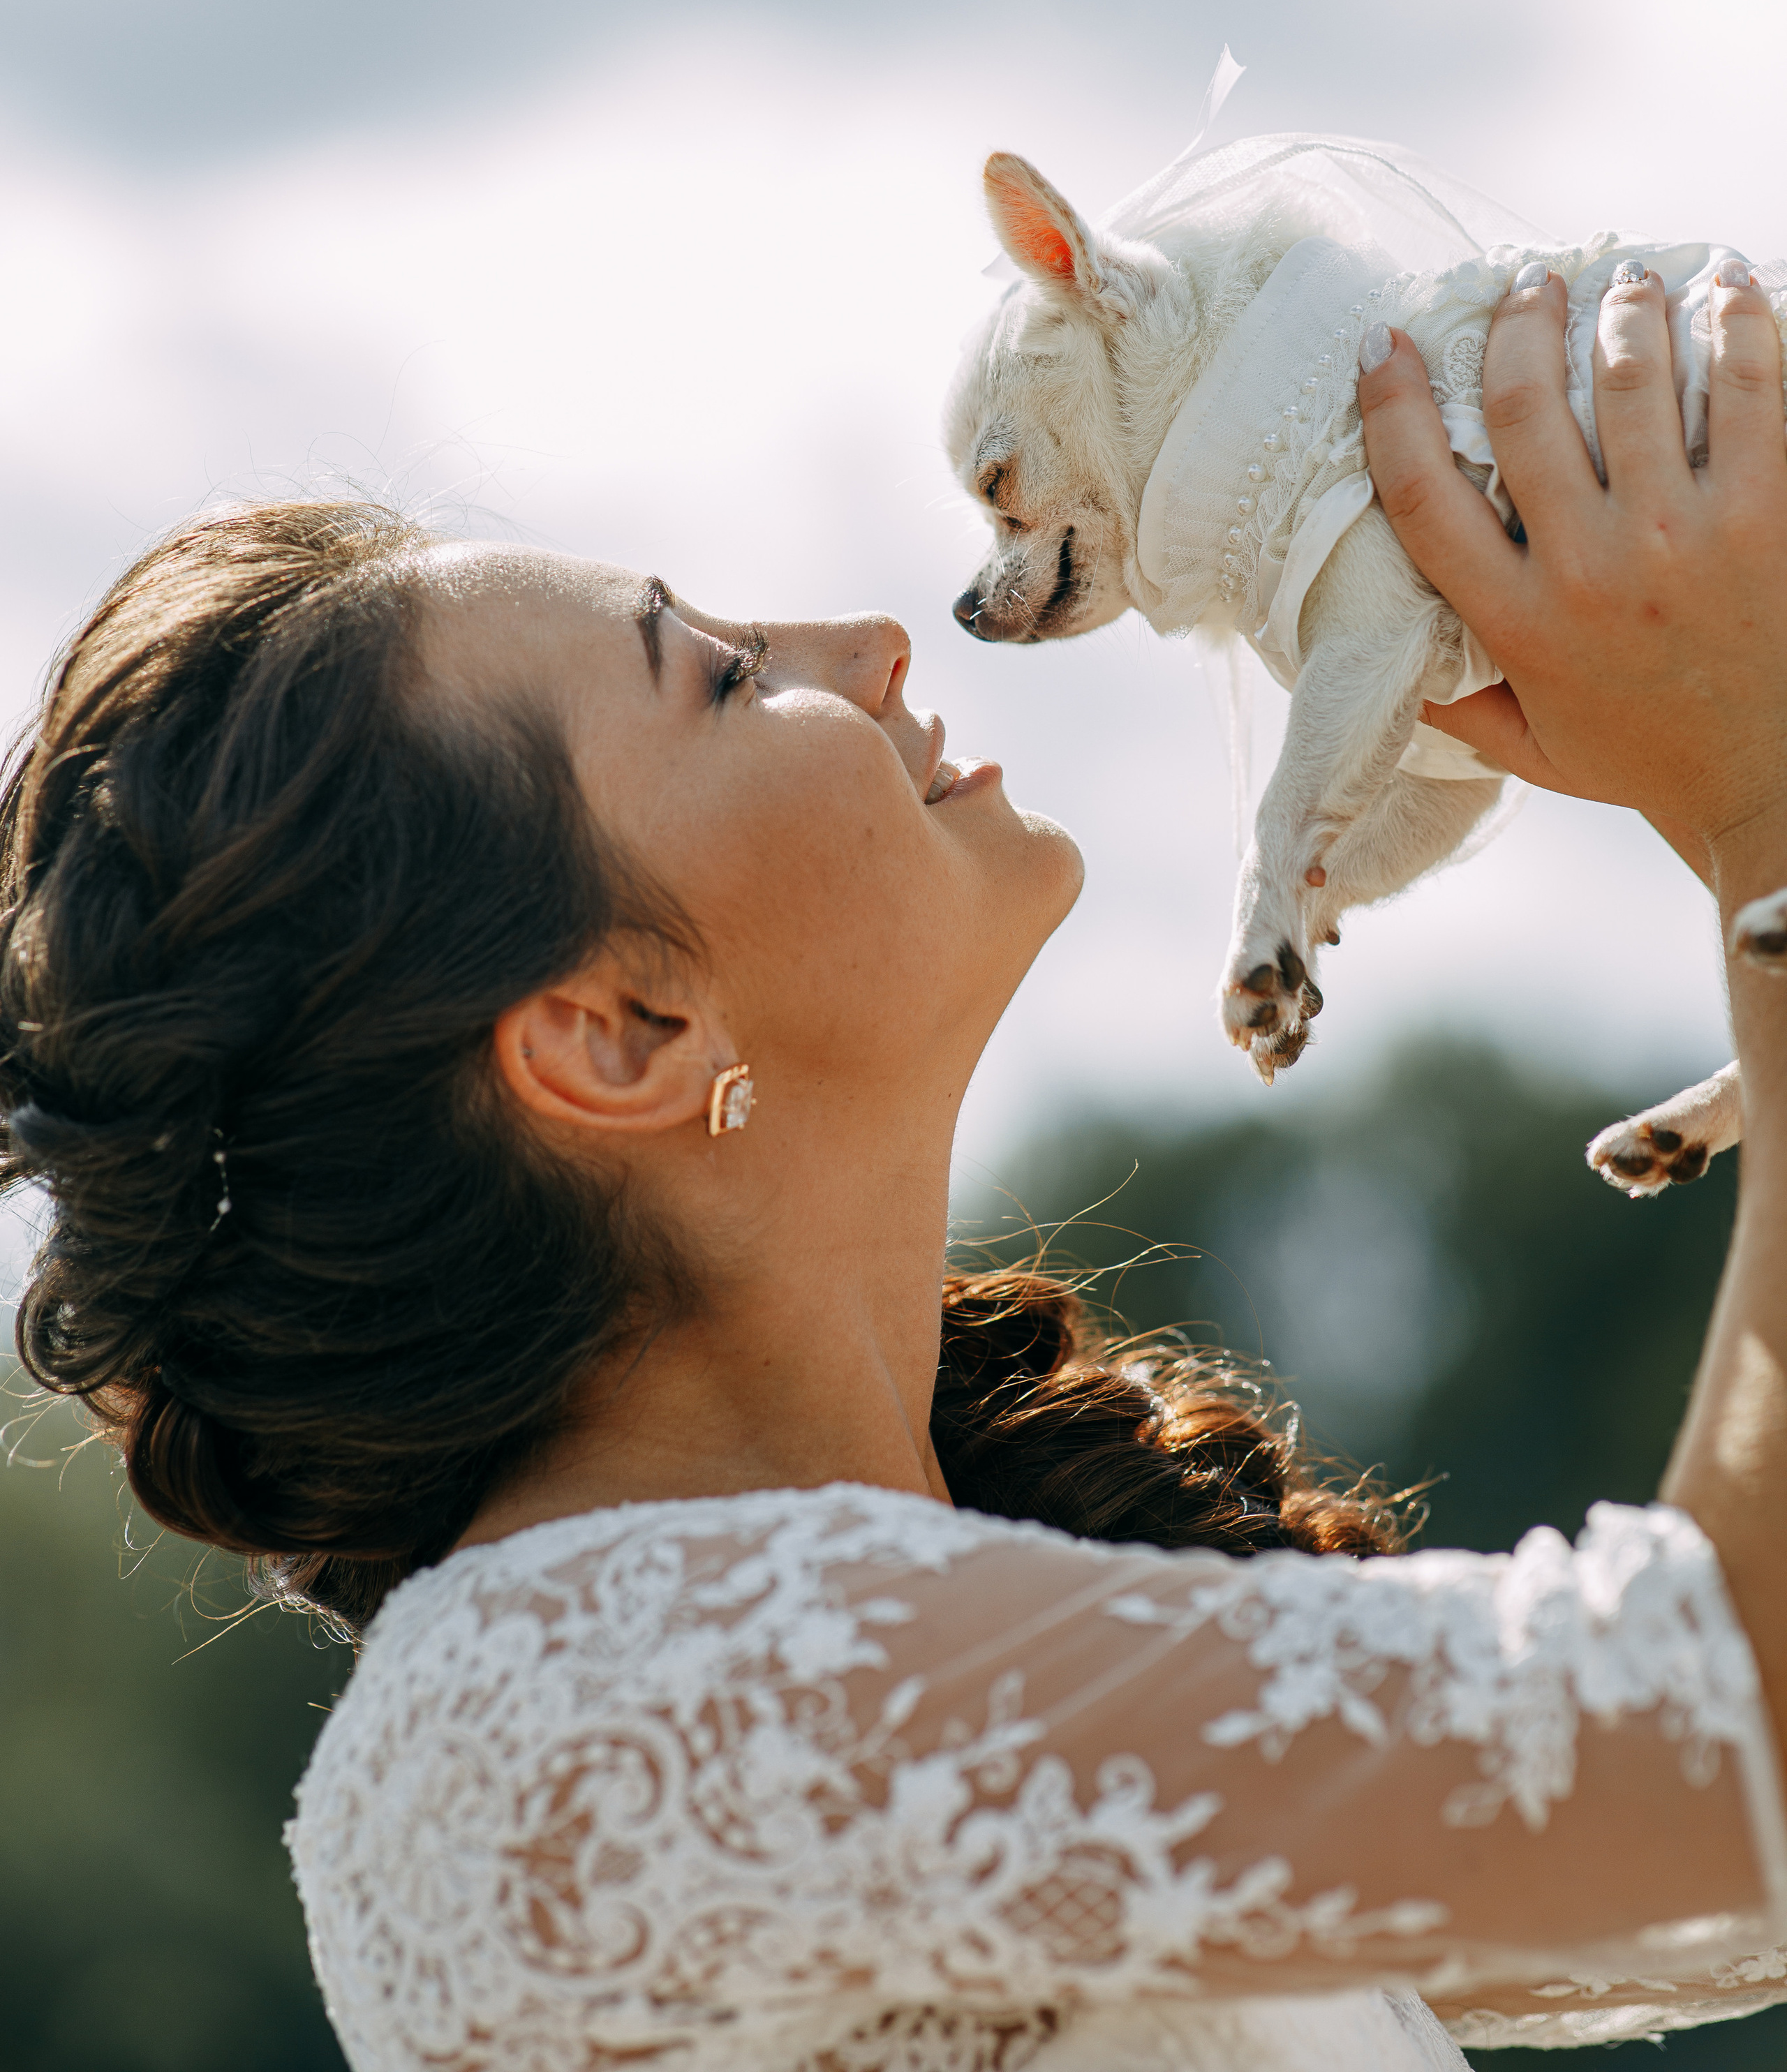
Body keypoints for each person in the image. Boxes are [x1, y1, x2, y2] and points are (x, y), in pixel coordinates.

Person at [4, 262, 1786, 2070]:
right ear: (618, 1033)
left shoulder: (887, 1658)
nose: (871, 643)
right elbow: (1720, 1761)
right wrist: (1757, 792)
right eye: (719, 676)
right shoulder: (576, 1720)